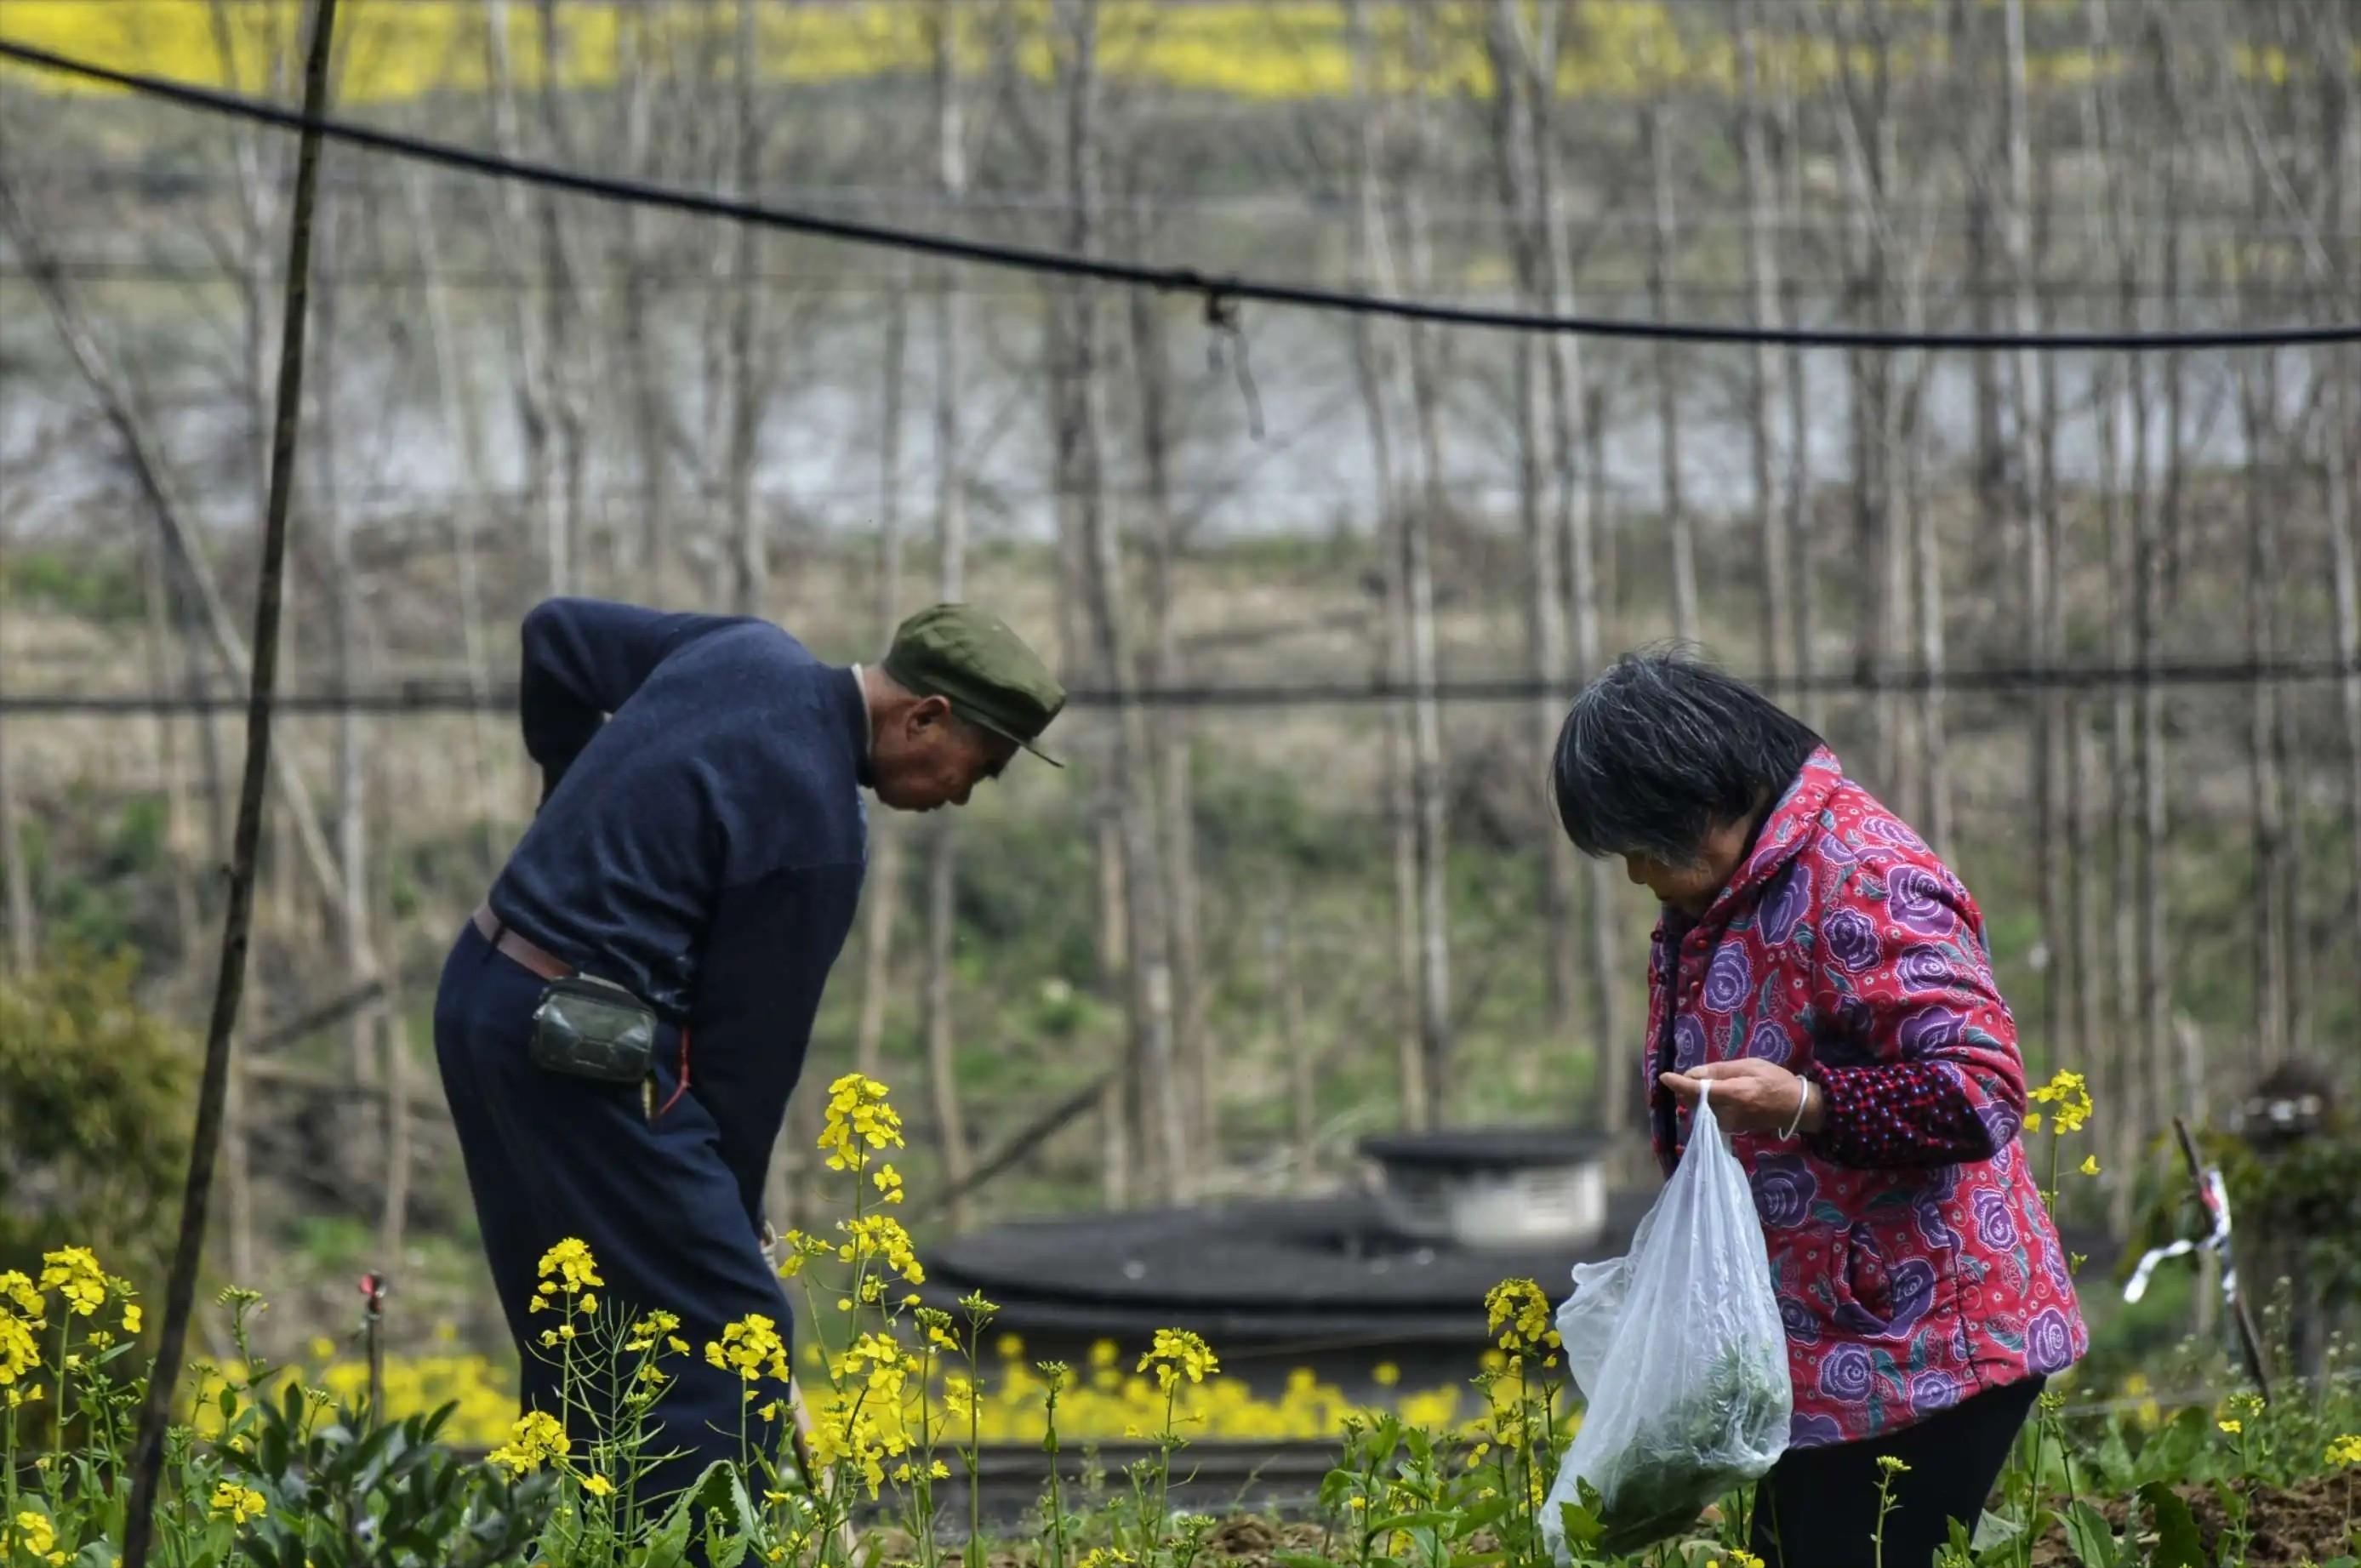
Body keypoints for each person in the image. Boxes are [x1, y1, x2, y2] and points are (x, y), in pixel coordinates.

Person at [433, 597, 1063, 1500]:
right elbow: (740, 1067)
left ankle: (583, 1531)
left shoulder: (742, 649)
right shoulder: (815, 830)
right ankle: (695, 1546)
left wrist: (562, 798)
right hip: (575, 1049)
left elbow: (555, 635)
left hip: (480, 991)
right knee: (729, 1323)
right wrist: (733, 1218)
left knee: (578, 1312)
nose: (962, 793)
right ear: (926, 716)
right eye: (982, 768)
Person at [1550, 651, 2085, 1568]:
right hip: (1834, 1346)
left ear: (1704, 796)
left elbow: (1978, 1088)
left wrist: (1802, 1102)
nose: (1638, 871)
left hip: (1925, 1349)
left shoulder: (1863, 878)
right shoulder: (1742, 882)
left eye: (1643, 842)